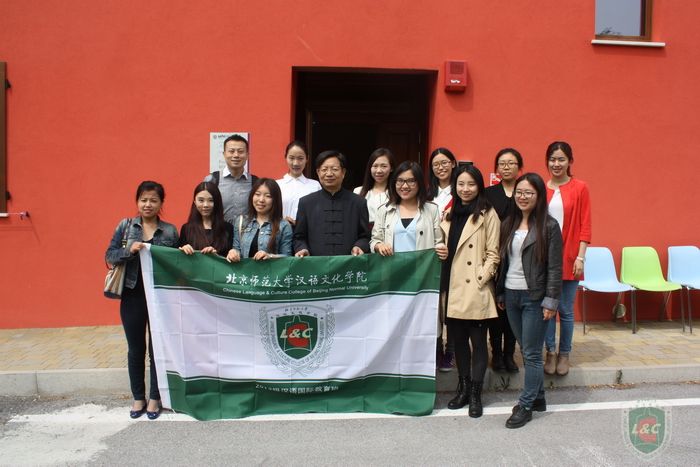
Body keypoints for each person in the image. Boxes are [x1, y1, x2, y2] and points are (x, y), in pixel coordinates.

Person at [105, 181, 178, 420]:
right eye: (144, 200)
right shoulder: (126, 226)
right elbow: (110, 255)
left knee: (158, 349)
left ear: (161, 203)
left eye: (153, 200)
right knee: (136, 349)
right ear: (137, 202)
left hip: (160, 298)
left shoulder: (170, 231)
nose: (148, 205)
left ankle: (155, 397)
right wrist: (130, 251)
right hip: (132, 295)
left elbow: (176, 263)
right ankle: (138, 397)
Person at [497, 172, 562, 428]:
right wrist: (500, 292)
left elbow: (555, 268)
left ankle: (525, 405)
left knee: (532, 353)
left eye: (529, 193)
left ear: (539, 196)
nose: (523, 197)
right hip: (511, 294)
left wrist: (551, 301)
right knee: (526, 349)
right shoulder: (508, 223)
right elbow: (504, 263)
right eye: (519, 192)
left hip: (534, 297)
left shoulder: (549, 226)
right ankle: (539, 398)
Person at [440, 165, 500, 418]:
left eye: (471, 184)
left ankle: (476, 393)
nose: (465, 189)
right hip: (452, 286)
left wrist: (481, 278)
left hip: (474, 288)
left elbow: (493, 254)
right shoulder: (449, 213)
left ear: (479, 186)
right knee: (459, 343)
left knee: (478, 343)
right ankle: (463, 388)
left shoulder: (488, 213)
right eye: (461, 184)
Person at [543, 141, 592, 376]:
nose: (556, 163)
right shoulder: (541, 188)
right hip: (544, 259)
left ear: (570, 161)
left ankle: (564, 353)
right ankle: (550, 352)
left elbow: (585, 225)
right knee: (547, 308)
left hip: (570, 257)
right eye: (552, 159)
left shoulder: (580, 188)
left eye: (561, 159)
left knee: (565, 309)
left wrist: (581, 257)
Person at [485, 148, 524, 373]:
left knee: (513, 308)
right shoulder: (488, 193)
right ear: (496, 168)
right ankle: (497, 354)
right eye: (502, 163)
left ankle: (510, 354)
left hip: (519, 257)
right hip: (495, 256)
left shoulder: (524, 191)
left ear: (520, 167)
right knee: (496, 311)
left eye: (511, 163)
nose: (506, 167)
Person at [294, 150, 370, 257]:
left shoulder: (358, 202)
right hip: (316, 265)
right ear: (318, 172)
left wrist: (360, 246)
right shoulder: (306, 203)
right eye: (324, 169)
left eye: (334, 169)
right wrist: (302, 248)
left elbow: (365, 236)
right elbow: (299, 237)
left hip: (349, 264)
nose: (329, 174)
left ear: (343, 172)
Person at [370, 161, 446, 257]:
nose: (405, 186)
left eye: (411, 181)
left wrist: (442, 249)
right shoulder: (384, 210)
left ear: (419, 183)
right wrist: (379, 246)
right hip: (392, 265)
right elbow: (374, 241)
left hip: (421, 265)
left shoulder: (432, 209)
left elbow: (438, 242)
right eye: (400, 181)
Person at [428, 147, 458, 372]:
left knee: (452, 303)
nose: (441, 167)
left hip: (456, 253)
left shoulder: (462, 188)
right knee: (433, 304)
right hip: (430, 254)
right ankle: (436, 348)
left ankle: (451, 350)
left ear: (453, 163)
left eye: (445, 162)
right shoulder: (427, 193)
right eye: (436, 164)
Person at [226, 178, 293, 261]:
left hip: (270, 269)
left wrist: (270, 256)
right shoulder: (241, 221)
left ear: (275, 200)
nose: (261, 200)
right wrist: (233, 252)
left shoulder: (284, 225)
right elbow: (237, 248)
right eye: (257, 194)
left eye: (268, 196)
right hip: (245, 269)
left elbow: (287, 257)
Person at [205, 134, 258, 223]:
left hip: (246, 231)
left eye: (240, 151)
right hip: (219, 231)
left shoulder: (255, 182)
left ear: (247, 155)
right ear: (224, 154)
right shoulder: (212, 180)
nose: (236, 155)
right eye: (231, 151)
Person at [178, 182, 233, 257]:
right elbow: (179, 259)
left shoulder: (228, 228)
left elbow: (231, 258)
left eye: (211, 200)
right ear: (195, 202)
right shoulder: (186, 229)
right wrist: (184, 249)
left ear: (217, 202)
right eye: (201, 200)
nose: (205, 205)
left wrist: (216, 256)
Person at [277, 141, 321, 227]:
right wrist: (282, 221)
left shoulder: (315, 186)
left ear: (307, 159)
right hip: (281, 232)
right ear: (285, 157)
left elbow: (319, 214)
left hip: (307, 233)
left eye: (300, 158)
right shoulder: (277, 185)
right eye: (291, 158)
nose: (296, 163)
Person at [353, 148, 395, 227]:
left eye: (384, 166)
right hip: (365, 233)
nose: (379, 171)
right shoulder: (358, 191)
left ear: (391, 168)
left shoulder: (397, 193)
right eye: (375, 166)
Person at [427, 147, 457, 216]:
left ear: (453, 164)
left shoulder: (460, 193)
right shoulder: (426, 195)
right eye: (436, 165)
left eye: (444, 163)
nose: (440, 168)